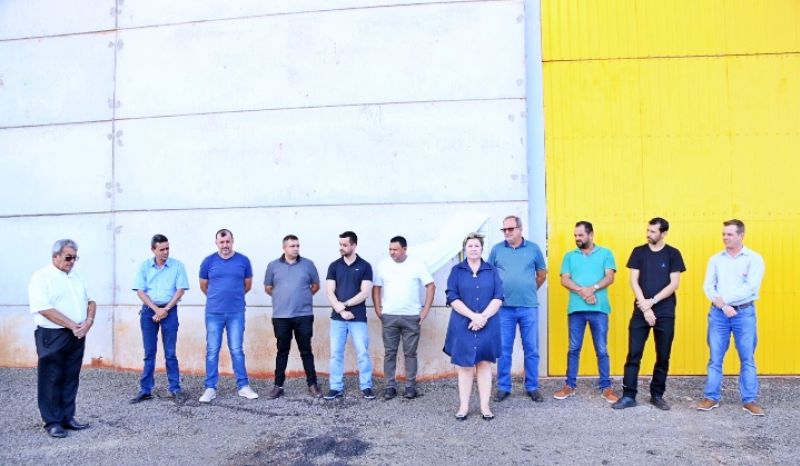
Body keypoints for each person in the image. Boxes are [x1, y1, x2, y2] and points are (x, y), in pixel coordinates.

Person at [612, 218, 685, 410]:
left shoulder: (673, 254)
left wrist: (651, 302)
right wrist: (645, 308)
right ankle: (629, 395)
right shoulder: (639, 252)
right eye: (648, 230)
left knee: (663, 355)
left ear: (664, 233)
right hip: (641, 312)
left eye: (653, 231)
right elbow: (634, 281)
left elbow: (674, 284)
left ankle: (657, 395)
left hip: (665, 312)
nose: (648, 234)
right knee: (634, 354)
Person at [28, 239, 96, 438]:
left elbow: (91, 301)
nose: (72, 261)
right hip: (53, 334)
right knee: (51, 377)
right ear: (55, 256)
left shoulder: (77, 276)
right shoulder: (41, 277)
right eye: (68, 258)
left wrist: (89, 321)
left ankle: (67, 416)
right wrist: (72, 325)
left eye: (75, 258)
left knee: (71, 376)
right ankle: (52, 421)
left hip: (77, 333)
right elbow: (43, 308)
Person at [697, 219, 766, 416]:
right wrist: (723, 306)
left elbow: (751, 288)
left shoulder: (754, 259)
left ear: (741, 235)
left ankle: (749, 400)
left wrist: (724, 301)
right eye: (723, 234)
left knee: (747, 358)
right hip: (718, 315)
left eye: (729, 234)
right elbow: (708, 286)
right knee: (715, 357)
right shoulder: (716, 259)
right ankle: (711, 397)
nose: (725, 237)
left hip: (744, 313)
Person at [554, 221, 619, 403]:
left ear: (590, 235)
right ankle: (570, 385)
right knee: (574, 348)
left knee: (602, 349)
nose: (577, 238)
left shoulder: (605, 253)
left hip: (599, 309)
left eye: (581, 235)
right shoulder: (569, 256)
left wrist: (593, 288)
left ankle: (606, 387)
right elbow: (565, 280)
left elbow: (610, 277)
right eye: (575, 235)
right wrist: (583, 291)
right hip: (576, 310)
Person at [443, 233, 504, 421]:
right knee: (465, 366)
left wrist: (482, 318)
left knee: (484, 364)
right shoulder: (456, 271)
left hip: (488, 323)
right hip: (463, 324)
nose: (473, 249)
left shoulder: (492, 270)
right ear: (465, 249)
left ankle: (485, 406)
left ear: (482, 248)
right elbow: (452, 297)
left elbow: (498, 297)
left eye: (477, 245)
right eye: (470, 246)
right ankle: (464, 406)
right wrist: (473, 317)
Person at [489, 215, 547, 403]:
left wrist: (528, 289)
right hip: (504, 309)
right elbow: (489, 275)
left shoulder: (533, 249)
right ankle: (503, 387)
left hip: (528, 307)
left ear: (520, 229)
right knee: (504, 350)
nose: (507, 232)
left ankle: (532, 386)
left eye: (510, 229)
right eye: (504, 229)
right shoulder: (497, 250)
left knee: (531, 349)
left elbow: (541, 274)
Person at [198, 229, 258, 403]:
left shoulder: (243, 261)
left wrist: (233, 297)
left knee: (237, 349)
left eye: (228, 241)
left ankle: (243, 386)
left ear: (232, 241)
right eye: (221, 242)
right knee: (212, 350)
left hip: (236, 312)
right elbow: (204, 286)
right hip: (214, 312)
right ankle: (210, 388)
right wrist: (218, 298)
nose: (225, 245)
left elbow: (247, 285)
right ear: (216, 243)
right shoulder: (208, 261)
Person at [372, 236, 435, 400]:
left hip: (411, 316)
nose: (392, 252)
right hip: (389, 316)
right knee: (389, 353)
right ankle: (389, 387)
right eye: (390, 249)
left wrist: (425, 311)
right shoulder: (383, 265)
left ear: (405, 249)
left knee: (410, 353)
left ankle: (410, 387)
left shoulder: (417, 263)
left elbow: (430, 286)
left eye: (395, 249)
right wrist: (378, 309)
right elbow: (376, 287)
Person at [130, 234, 190, 404]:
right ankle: (145, 390)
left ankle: (175, 388)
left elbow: (180, 290)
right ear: (153, 249)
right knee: (149, 353)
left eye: (167, 248)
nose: (165, 252)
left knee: (170, 352)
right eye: (162, 249)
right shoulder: (145, 267)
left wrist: (165, 309)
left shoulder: (177, 266)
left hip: (169, 310)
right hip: (149, 311)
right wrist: (157, 310)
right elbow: (140, 291)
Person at [264, 234, 322, 399]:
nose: (296, 249)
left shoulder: (308, 264)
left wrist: (302, 297)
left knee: (306, 351)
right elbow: (268, 287)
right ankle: (278, 386)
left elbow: (315, 285)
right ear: (284, 248)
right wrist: (282, 297)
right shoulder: (273, 266)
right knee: (282, 351)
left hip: (303, 315)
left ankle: (312, 385)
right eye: (292, 246)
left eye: (297, 246)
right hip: (281, 317)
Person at [324, 231, 375, 400]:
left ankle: (366, 386)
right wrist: (340, 310)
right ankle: (335, 387)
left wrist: (344, 305)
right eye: (340, 244)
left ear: (354, 245)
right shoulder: (334, 266)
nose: (341, 247)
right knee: (336, 354)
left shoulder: (365, 266)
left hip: (358, 318)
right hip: (337, 319)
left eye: (345, 245)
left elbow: (364, 293)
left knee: (362, 353)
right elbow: (329, 291)